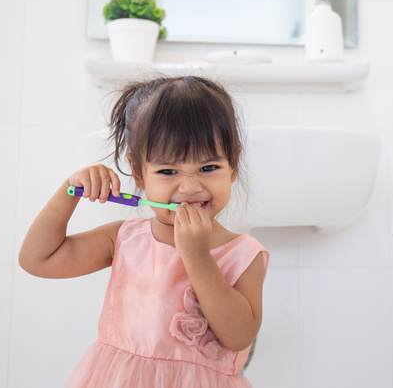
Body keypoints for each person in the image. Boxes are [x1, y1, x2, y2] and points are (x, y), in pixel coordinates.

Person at [19, 76, 270, 387]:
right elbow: (37, 259)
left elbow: (238, 336)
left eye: (208, 168)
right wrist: (69, 192)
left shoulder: (243, 254)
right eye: (167, 171)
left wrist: (197, 256)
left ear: (233, 165)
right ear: (138, 173)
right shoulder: (123, 239)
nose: (190, 187)